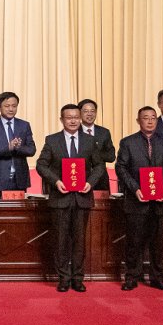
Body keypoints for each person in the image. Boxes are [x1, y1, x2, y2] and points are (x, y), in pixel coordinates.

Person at [36, 104, 106, 293]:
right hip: (60, 198)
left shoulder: (90, 141)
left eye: (76, 117)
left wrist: (90, 183)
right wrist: (56, 181)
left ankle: (77, 278)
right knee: (61, 240)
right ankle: (64, 278)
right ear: (62, 120)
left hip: (82, 197)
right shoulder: (52, 140)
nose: (73, 120)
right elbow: (41, 165)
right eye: (69, 117)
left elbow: (99, 166)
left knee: (79, 240)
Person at [115, 106, 163, 291]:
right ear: (138, 121)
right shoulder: (128, 142)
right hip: (136, 201)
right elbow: (121, 168)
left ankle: (157, 278)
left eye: (153, 117)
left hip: (159, 202)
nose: (150, 121)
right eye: (146, 118)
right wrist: (135, 189)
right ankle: (131, 277)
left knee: (157, 243)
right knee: (133, 242)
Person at [0, 92, 36, 197]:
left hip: (20, 180)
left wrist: (18, 148)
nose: (11, 109)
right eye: (7, 106)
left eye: (14, 106)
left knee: (19, 208)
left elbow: (31, 150)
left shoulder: (24, 125)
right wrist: (8, 148)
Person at [77, 99, 116, 192]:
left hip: (101, 179)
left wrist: (93, 154)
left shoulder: (104, 132)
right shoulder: (74, 132)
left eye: (92, 111)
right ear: (79, 113)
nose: (89, 114)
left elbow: (111, 156)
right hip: (80, 177)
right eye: (86, 111)